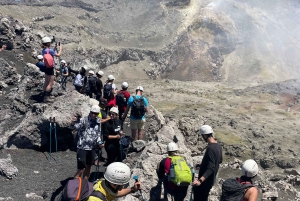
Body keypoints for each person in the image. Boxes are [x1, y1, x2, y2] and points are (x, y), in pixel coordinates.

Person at [70, 105, 103, 180]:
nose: (94, 115)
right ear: (90, 112)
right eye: (92, 113)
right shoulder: (83, 120)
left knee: (88, 167)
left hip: (92, 148)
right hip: (82, 148)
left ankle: (84, 185)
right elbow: (74, 128)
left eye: (96, 113)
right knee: (81, 169)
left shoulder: (98, 122)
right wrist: (72, 123)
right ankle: (74, 188)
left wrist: (100, 143)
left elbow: (98, 135)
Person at [192, 125, 222, 201]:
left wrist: (200, 181)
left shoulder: (210, 148)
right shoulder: (218, 145)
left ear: (205, 135)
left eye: (202, 136)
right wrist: (203, 164)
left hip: (205, 182)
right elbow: (219, 160)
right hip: (210, 180)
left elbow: (211, 168)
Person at [41, 36, 62, 102]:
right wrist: (60, 49)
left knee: (46, 82)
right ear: (47, 44)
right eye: (49, 43)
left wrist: (55, 48)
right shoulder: (50, 50)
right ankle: (46, 98)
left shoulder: (44, 50)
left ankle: (44, 94)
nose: (50, 43)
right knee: (50, 83)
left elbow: (50, 52)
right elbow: (58, 55)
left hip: (46, 67)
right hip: (51, 68)